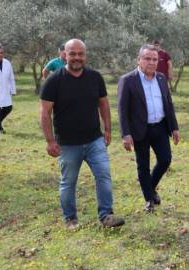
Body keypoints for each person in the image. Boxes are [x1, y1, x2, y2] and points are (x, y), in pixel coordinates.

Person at [39, 38, 125, 229]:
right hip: (68, 144)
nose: (77, 58)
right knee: (68, 182)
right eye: (72, 54)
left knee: (104, 175)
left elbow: (103, 103)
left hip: (95, 140)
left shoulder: (95, 77)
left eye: (80, 54)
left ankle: (106, 216)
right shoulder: (54, 80)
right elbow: (45, 112)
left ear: (85, 56)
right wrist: (50, 141)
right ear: (65, 55)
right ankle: (70, 219)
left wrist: (108, 129)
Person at [118, 44, 180, 212]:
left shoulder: (161, 78)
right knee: (143, 165)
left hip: (160, 127)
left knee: (165, 160)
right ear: (139, 60)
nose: (152, 62)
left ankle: (150, 189)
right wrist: (125, 134)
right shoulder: (128, 80)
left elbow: (169, 104)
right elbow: (122, 110)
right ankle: (149, 200)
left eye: (155, 59)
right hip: (140, 130)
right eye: (147, 59)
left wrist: (174, 127)